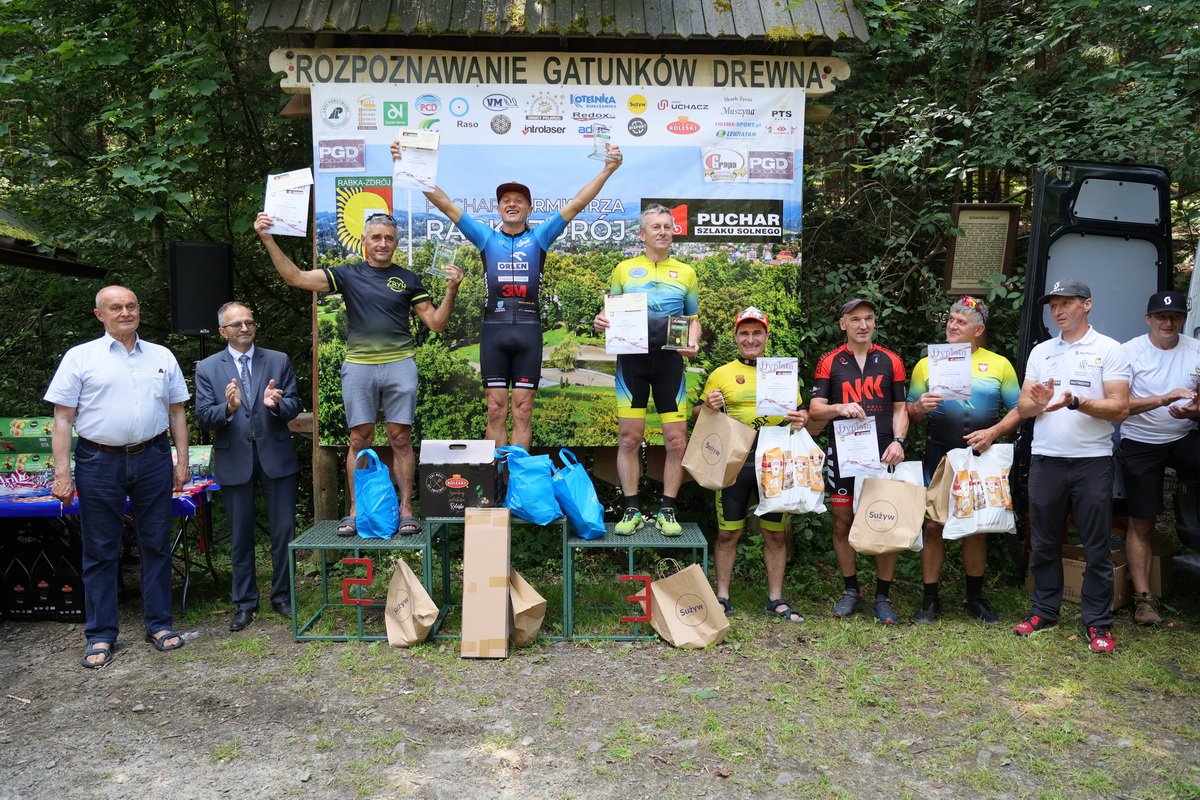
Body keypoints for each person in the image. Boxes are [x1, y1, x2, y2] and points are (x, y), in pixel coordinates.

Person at [255, 211, 462, 536]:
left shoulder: (408, 278)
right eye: (376, 237)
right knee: (358, 439)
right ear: (365, 241)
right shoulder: (347, 274)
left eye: (389, 238)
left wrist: (452, 290)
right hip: (359, 366)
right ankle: (354, 510)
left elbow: (435, 323)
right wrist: (268, 239)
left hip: (400, 365)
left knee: (401, 440)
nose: (383, 243)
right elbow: (295, 277)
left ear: (396, 243)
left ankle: (406, 509)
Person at [407, 143, 622, 449]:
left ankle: (518, 485)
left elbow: (576, 204)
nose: (512, 204)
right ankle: (494, 483)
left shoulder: (540, 236)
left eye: (519, 200)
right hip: (494, 330)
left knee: (523, 412)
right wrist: (412, 170)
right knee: (495, 411)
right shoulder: (485, 236)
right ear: (498, 208)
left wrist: (607, 169)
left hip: (528, 331)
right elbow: (445, 204)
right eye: (505, 200)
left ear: (529, 209)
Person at [44, 286, 190, 668]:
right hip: (98, 460)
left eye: (131, 306)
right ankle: (101, 635)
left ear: (139, 310)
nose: (125, 313)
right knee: (99, 550)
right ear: (100, 315)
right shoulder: (80, 357)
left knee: (156, 544)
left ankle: (159, 624)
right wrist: (63, 472)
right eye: (116, 308)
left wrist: (182, 461)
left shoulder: (162, 355)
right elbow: (62, 418)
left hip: (154, 457)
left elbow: (177, 413)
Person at [1016, 278, 1129, 653]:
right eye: (1053, 305)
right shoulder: (1041, 352)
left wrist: (1076, 401)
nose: (1059, 310)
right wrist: (1040, 400)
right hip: (1046, 458)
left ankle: (1098, 623)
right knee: (1045, 542)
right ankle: (1044, 610)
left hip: (1091, 461)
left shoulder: (1109, 349)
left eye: (1067, 303)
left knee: (1096, 546)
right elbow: (1023, 408)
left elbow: (1120, 407)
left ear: (1088, 305)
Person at [907, 297, 1022, 624]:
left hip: (980, 453)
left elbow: (1019, 408)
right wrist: (919, 408)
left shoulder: (999, 364)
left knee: (978, 528)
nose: (952, 325)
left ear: (979, 329)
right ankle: (930, 600)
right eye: (951, 319)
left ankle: (974, 598)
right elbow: (909, 413)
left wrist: (994, 432)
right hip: (939, 453)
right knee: (932, 525)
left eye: (960, 321)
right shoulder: (927, 363)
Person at [593, 204, 701, 536]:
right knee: (629, 438)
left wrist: (693, 342)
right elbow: (609, 314)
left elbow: (693, 320)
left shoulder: (686, 272)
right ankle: (632, 510)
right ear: (643, 234)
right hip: (632, 363)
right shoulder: (623, 269)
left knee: (677, 441)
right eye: (655, 227)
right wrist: (601, 321)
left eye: (667, 226)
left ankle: (667, 511)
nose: (663, 231)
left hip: (669, 363)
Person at [195, 301, 303, 631]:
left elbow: (295, 403)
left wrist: (277, 405)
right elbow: (203, 416)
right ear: (222, 332)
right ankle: (245, 602)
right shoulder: (208, 367)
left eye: (249, 322)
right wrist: (227, 409)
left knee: (283, 530)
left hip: (276, 455)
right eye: (236, 324)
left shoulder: (277, 359)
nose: (244, 328)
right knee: (240, 534)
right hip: (234, 458)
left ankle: (282, 596)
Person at [697, 308, 808, 621]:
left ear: (766, 336)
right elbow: (699, 417)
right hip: (735, 462)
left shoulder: (783, 372)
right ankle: (722, 597)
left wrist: (802, 418)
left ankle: (775, 599)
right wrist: (708, 406)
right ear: (735, 337)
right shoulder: (721, 373)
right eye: (744, 333)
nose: (750, 339)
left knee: (775, 534)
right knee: (728, 534)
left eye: (756, 332)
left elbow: (801, 414)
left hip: (775, 462)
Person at [809, 298, 909, 623]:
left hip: (883, 454)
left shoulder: (891, 360)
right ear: (843, 324)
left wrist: (899, 441)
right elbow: (815, 409)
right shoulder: (830, 361)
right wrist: (840, 407)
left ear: (874, 323)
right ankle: (851, 589)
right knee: (842, 523)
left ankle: (883, 596)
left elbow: (899, 409)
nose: (862, 325)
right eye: (855, 319)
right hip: (844, 454)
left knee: (886, 523)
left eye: (868, 319)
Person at [1117, 290, 1200, 626]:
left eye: (1176, 316)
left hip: (1185, 435)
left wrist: (1194, 413)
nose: (1169, 322)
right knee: (1142, 521)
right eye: (1162, 317)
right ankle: (1143, 600)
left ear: (1183, 318)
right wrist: (1163, 399)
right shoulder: (1128, 352)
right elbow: (1119, 406)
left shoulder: (1196, 350)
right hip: (1141, 440)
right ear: (1148, 318)